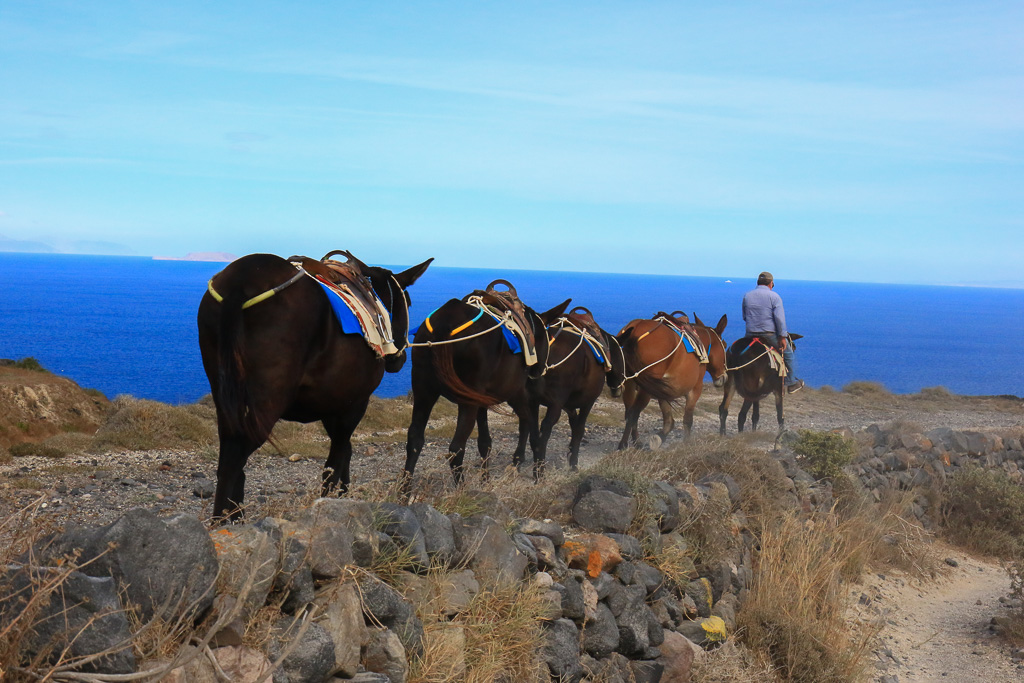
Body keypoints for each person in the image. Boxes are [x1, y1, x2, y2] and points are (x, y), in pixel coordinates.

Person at [742, 271, 804, 393]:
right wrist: (782, 336)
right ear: (771, 284)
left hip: (749, 335)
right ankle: (791, 383)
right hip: (768, 335)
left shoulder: (747, 296)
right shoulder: (774, 297)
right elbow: (780, 319)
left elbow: (745, 317)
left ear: (758, 282)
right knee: (788, 354)